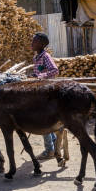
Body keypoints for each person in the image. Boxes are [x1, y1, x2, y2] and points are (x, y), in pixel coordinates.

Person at [30, 32, 60, 160]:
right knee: (47, 120)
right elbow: (38, 71)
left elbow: (55, 70)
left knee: (42, 121)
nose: (32, 43)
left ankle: (49, 150)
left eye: (35, 41)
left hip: (46, 92)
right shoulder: (36, 57)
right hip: (39, 90)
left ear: (42, 44)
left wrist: (40, 76)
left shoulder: (45, 56)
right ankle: (53, 144)